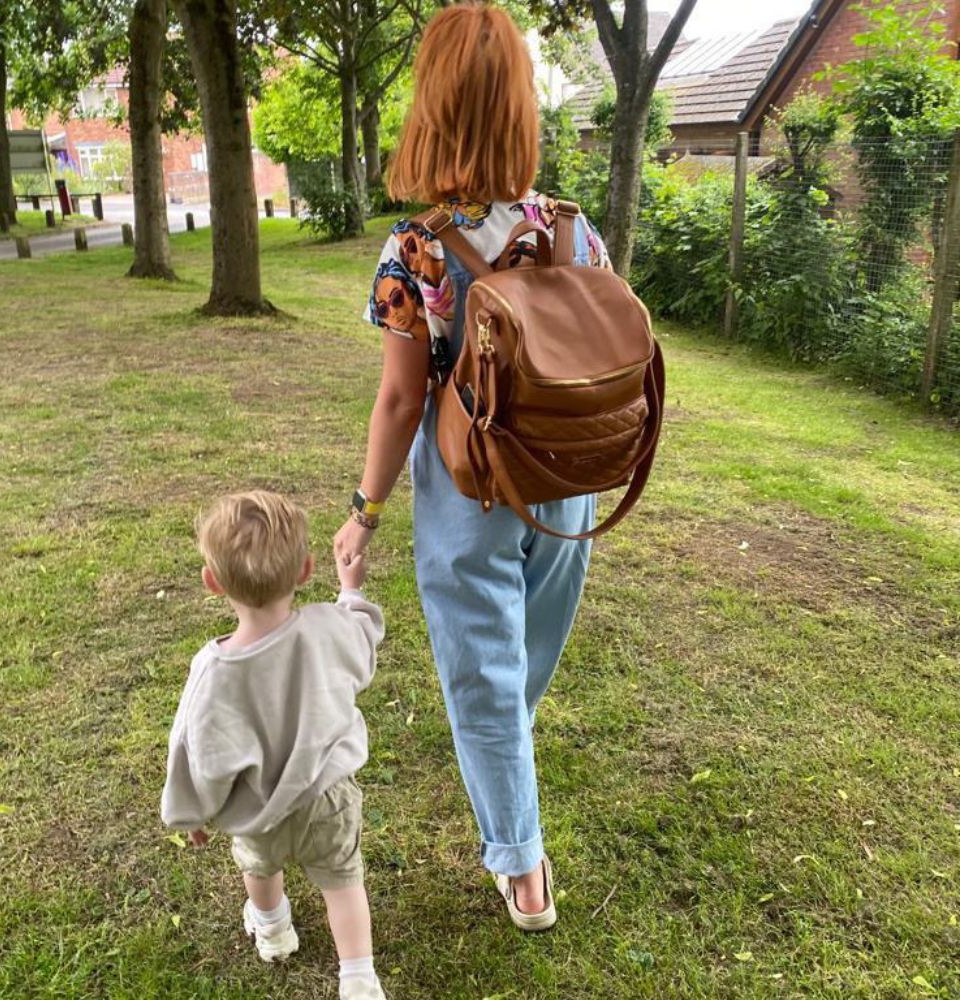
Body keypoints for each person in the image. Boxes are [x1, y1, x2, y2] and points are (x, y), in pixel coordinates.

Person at [334, 2, 611, 932]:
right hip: (569, 482)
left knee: (485, 677)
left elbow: (402, 401)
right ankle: (510, 785)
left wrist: (365, 510)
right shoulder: (571, 229)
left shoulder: (414, 247)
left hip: (470, 488)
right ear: (520, 108)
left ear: (433, 108)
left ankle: (522, 867)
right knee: (515, 667)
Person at [161, 491, 388, 1000]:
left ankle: (273, 928)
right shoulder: (328, 629)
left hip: (258, 809)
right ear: (307, 570)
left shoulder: (213, 672)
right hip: (329, 798)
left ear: (212, 582)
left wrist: (191, 812)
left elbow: (198, 750)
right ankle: (357, 977)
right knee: (343, 882)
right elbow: (362, 637)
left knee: (259, 867)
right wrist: (350, 589)